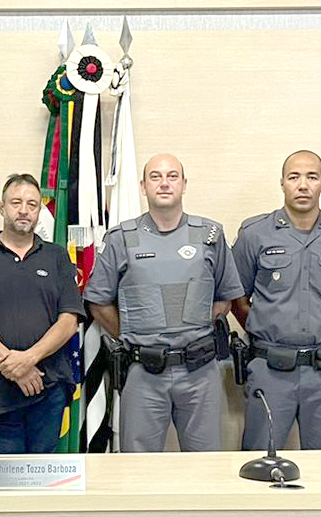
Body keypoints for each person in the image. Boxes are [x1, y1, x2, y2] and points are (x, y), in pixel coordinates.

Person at [85, 154, 242, 451]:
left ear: (184, 184)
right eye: (155, 177)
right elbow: (98, 303)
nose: (164, 183)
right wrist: (133, 334)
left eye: (172, 176)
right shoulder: (121, 238)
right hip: (143, 372)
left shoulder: (209, 236)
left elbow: (225, 297)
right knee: (138, 465)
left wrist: (195, 327)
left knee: (205, 464)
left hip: (200, 372)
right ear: (143, 187)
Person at [232, 150, 321, 451]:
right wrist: (266, 329)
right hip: (270, 369)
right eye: (294, 177)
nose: (303, 185)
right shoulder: (254, 235)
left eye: (312, 177)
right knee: (261, 459)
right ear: (282, 183)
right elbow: (238, 298)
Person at [0, 173, 85, 454]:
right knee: (6, 470)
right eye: (16, 202)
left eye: (32, 204)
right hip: (0, 387)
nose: (24, 210)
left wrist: (29, 359)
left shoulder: (57, 256)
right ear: (1, 207)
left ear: (39, 211)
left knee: (45, 470)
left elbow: (69, 321)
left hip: (49, 384)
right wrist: (12, 365)